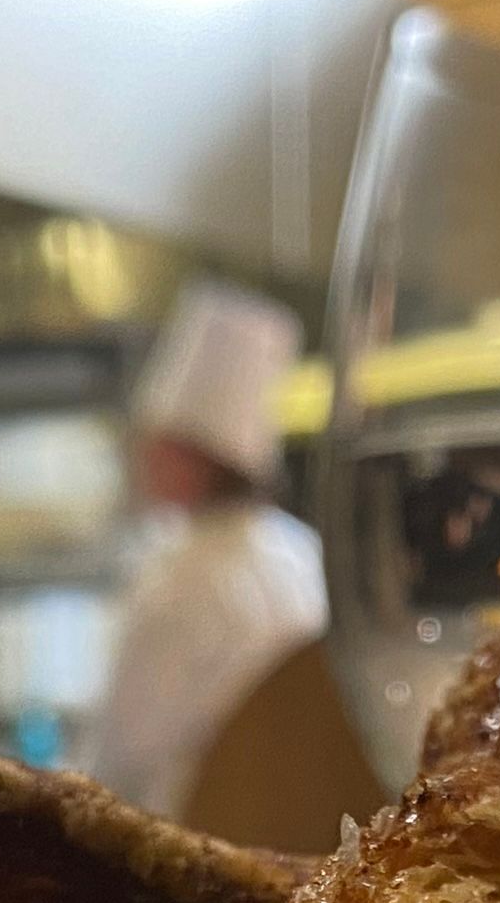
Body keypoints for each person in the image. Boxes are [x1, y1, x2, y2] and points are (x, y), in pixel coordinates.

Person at [84, 281, 326, 822]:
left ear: (198, 455)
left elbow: (123, 750)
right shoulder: (302, 550)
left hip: (189, 834)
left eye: (161, 442)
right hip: (307, 828)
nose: (145, 458)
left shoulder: (179, 573)